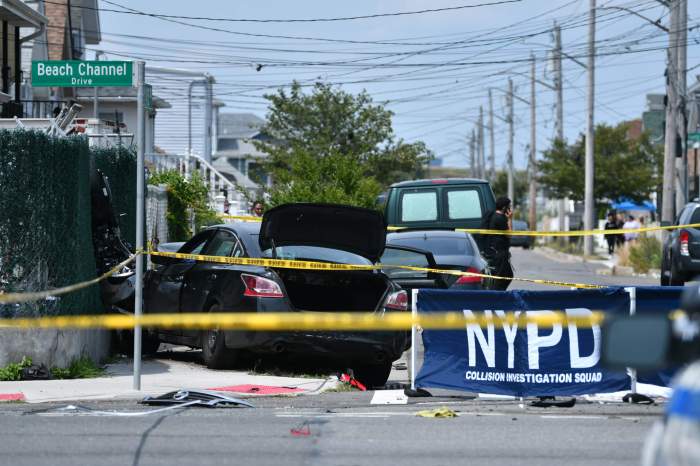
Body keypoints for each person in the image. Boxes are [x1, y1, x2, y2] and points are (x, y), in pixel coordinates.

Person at [484, 197, 514, 291]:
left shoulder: (495, 216)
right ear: (504, 207)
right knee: (502, 277)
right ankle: (496, 298)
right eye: (509, 206)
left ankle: (499, 296)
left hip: (497, 251)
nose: (510, 208)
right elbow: (509, 234)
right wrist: (510, 219)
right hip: (499, 253)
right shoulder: (500, 218)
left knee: (507, 276)